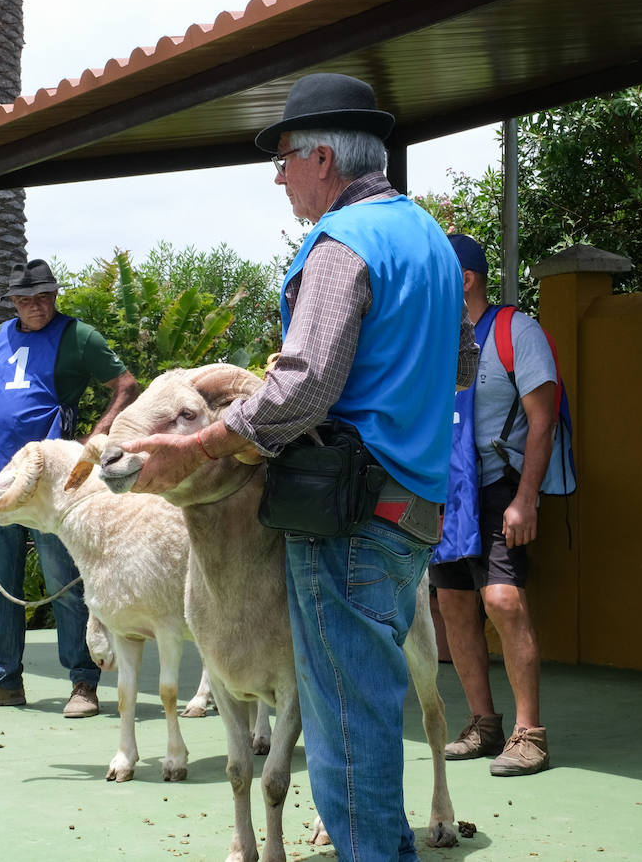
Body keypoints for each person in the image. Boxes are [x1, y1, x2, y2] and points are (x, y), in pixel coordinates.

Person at [122, 73, 471, 862]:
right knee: (374, 706)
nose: (279, 179)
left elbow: (302, 386)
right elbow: (458, 365)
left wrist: (202, 444)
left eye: (282, 161)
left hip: (345, 516)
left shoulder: (343, 246)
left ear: (322, 157)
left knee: (348, 730)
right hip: (413, 512)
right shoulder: (432, 243)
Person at [0, 260, 140, 718]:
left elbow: (126, 385)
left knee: (61, 583)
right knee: (1, 584)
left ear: (55, 296)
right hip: (2, 477)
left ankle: (82, 683)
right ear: (12, 302)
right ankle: (3, 680)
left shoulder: (79, 337)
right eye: (24, 299)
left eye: (42, 297)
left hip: (54, 485)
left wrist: (92, 442)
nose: (34, 306)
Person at [431, 233, 558, 776]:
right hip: (446, 490)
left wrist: (526, 499)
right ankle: (484, 725)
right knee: (455, 607)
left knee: (503, 601)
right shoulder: (434, 340)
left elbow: (543, 419)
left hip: (499, 485)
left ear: (463, 280)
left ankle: (530, 734)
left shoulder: (516, 332)